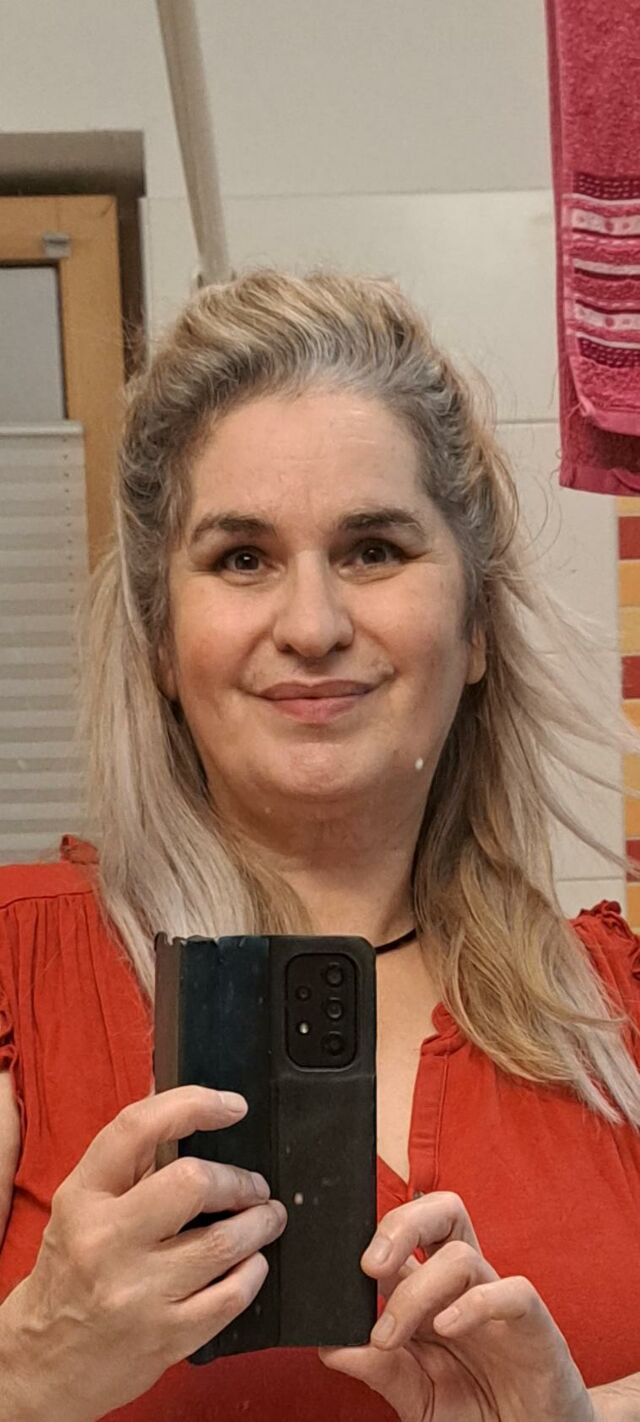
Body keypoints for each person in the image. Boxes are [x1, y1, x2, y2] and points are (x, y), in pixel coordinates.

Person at [0, 268, 639, 1422]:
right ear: (160, 641)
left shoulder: (615, 1018)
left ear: (475, 627)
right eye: (241, 558)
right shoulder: (21, 979)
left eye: (374, 550)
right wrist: (30, 1371)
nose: (312, 625)